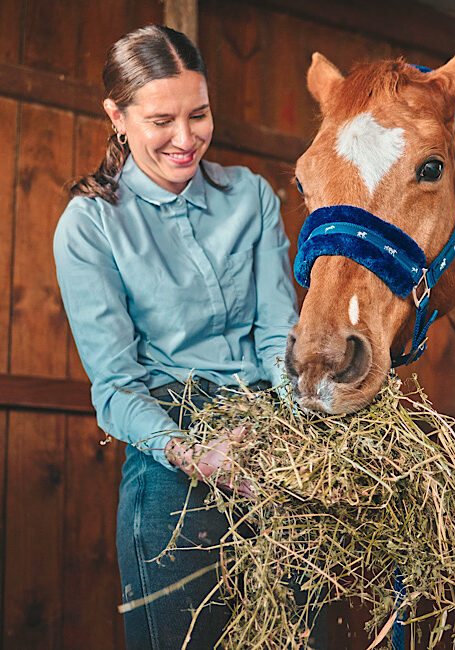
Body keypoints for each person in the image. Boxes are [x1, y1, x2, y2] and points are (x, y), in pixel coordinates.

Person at [53, 25, 326, 650]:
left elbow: (275, 331)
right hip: (173, 448)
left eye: (199, 114)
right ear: (117, 118)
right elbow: (117, 388)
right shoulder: (90, 227)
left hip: (269, 435)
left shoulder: (249, 196)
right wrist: (193, 454)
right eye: (161, 121)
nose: (186, 139)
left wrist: (296, 426)